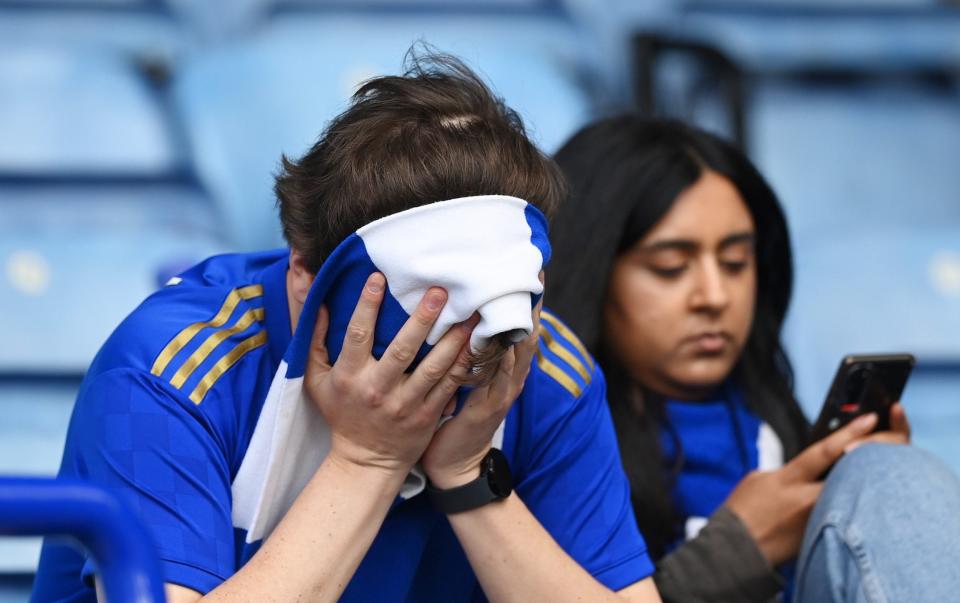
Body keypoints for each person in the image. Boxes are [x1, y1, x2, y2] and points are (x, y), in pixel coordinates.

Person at [31, 55, 662, 602]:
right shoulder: (165, 370)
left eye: (506, 294)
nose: (479, 340)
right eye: (435, 304)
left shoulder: (540, 366)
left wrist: (469, 476)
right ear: (307, 275)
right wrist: (369, 458)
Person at [545, 115, 960, 602]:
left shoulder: (776, 432)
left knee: (888, 475)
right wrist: (729, 558)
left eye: (735, 263)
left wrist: (862, 503)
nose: (715, 296)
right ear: (592, 276)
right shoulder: (543, 441)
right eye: (671, 267)